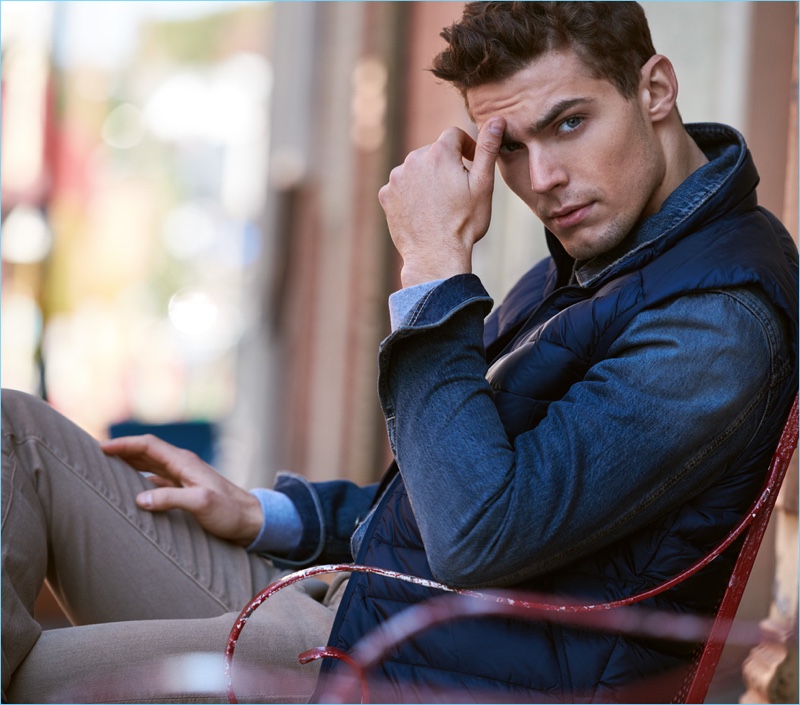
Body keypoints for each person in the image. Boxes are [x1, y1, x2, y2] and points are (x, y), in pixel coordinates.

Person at [2, 2, 797, 702]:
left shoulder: (716, 321)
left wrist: (432, 272)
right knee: (21, 438)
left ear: (655, 88)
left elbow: (478, 529)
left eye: (568, 122)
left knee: (30, 682)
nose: (545, 178)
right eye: (509, 148)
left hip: (400, 673)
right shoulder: (609, 264)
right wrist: (268, 513)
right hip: (354, 613)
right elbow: (448, 483)